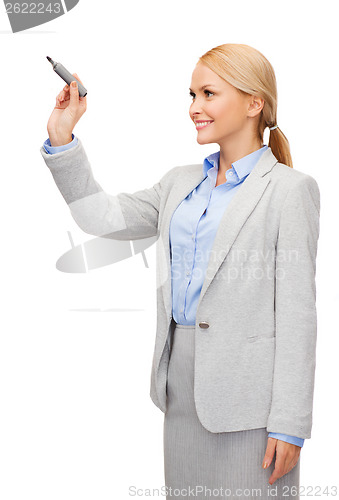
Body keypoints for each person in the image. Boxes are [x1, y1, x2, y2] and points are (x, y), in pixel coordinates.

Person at [40, 43, 320, 499]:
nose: (194, 108)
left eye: (208, 93)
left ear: (254, 104)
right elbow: (102, 217)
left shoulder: (289, 191)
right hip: (180, 385)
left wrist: (291, 424)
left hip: (251, 398)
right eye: (191, 95)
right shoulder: (178, 182)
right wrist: (62, 138)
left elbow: (297, 316)